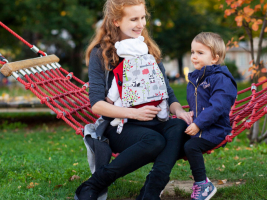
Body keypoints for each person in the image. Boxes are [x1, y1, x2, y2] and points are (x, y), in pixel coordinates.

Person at [74, 0, 193, 199]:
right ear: (116, 21)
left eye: (143, 17)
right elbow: (97, 104)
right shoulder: (100, 54)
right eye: (134, 19)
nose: (141, 24)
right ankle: (94, 184)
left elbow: (168, 94)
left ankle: (151, 191)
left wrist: (179, 111)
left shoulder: (148, 50)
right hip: (121, 126)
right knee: (154, 141)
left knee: (178, 128)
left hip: (156, 121)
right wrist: (134, 113)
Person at [184, 32, 237, 200]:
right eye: (193, 52)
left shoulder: (220, 79)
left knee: (191, 147)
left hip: (215, 130)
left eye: (200, 53)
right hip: (200, 127)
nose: (194, 56)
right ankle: (158, 181)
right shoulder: (195, 79)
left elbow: (218, 106)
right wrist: (192, 115)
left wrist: (199, 123)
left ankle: (202, 184)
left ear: (215, 58)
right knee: (171, 141)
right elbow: (199, 104)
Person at [107, 36, 169, 133]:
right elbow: (160, 80)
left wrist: (110, 98)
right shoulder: (151, 61)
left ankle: (121, 118)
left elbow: (116, 85)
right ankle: (163, 115)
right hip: (154, 100)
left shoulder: (122, 67)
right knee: (162, 99)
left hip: (131, 104)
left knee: (119, 101)